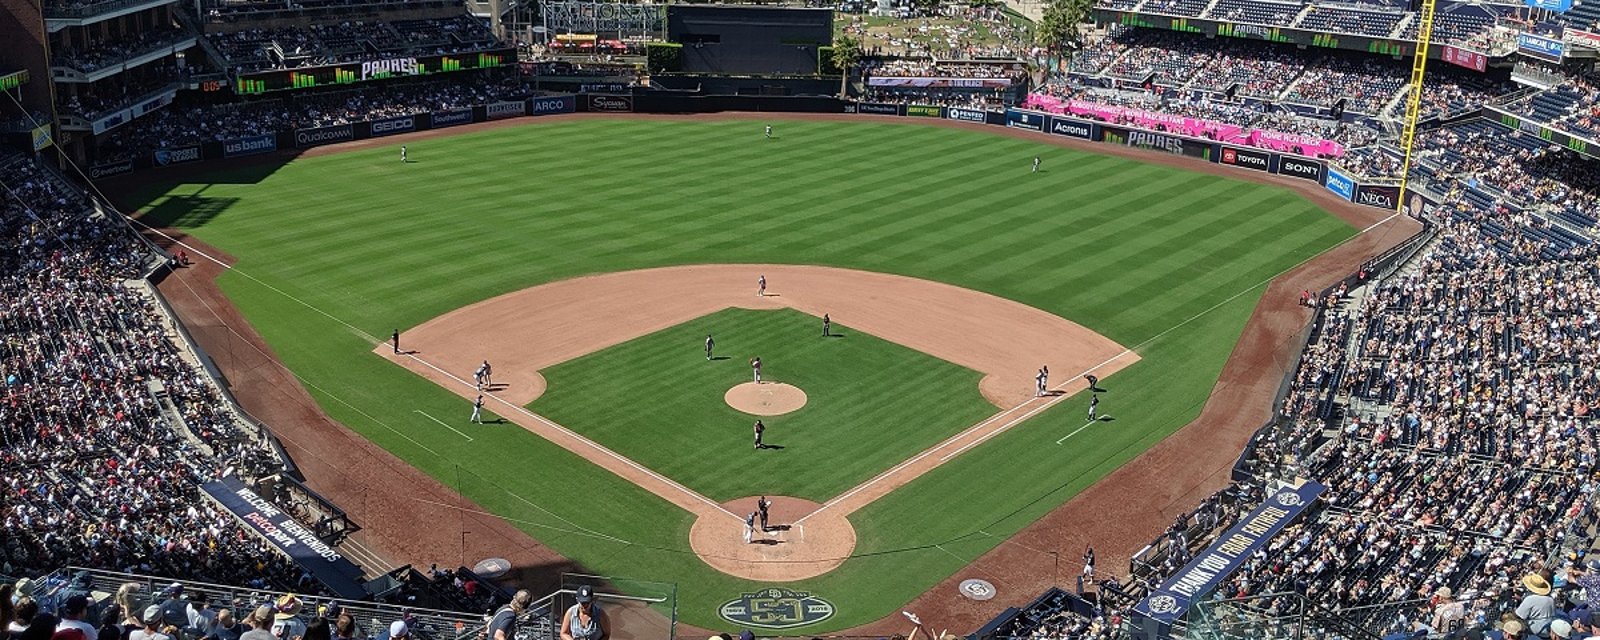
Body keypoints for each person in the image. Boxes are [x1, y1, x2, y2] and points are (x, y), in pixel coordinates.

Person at [1517, 573, 1557, 638]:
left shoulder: (1530, 599)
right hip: (1548, 628)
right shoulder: (1550, 599)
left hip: (1535, 630)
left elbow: (1520, 615)